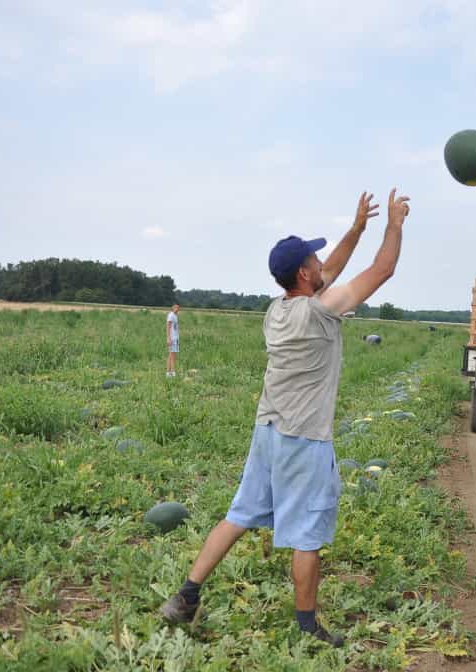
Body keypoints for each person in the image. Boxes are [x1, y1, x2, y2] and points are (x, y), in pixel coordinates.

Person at [159, 189, 410, 647]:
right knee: (307, 535)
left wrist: (357, 227)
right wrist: (394, 224)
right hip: (303, 440)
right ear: (303, 273)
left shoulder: (277, 310)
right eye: (314, 259)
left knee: (239, 515)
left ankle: (185, 597)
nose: (321, 263)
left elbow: (331, 272)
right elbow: (381, 271)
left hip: (268, 432)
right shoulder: (320, 312)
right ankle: (307, 629)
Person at [165, 304, 180, 377]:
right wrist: (168, 338)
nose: (177, 309)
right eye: (176, 307)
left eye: (178, 308)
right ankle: (172, 373)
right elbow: (168, 326)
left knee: (172, 355)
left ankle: (169, 373)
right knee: (172, 355)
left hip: (176, 338)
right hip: (172, 338)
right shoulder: (171, 315)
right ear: (172, 308)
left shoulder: (175, 316)